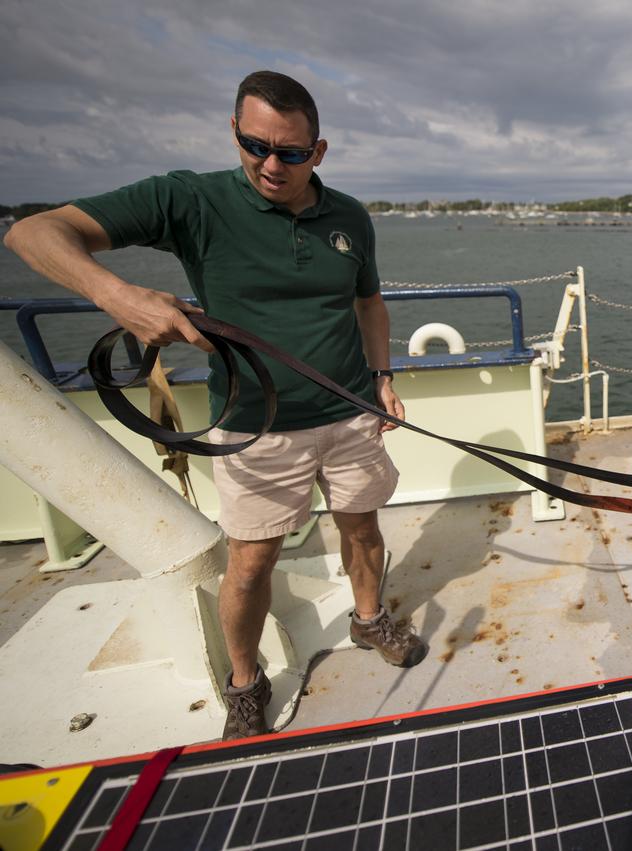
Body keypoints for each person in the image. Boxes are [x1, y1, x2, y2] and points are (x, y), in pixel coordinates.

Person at [3, 70, 426, 740]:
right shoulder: (190, 200)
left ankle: (368, 618)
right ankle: (245, 682)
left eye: (290, 152)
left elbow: (368, 302)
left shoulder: (348, 216)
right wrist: (117, 294)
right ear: (234, 131)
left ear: (318, 152)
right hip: (255, 425)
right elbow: (33, 234)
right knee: (251, 561)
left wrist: (381, 375)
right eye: (255, 145)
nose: (269, 164)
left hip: (348, 410)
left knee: (363, 529)